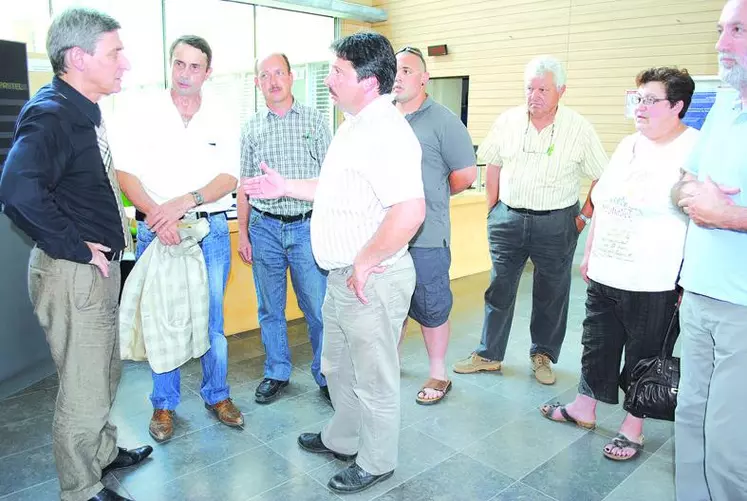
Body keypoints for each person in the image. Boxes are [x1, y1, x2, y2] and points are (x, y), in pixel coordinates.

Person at [243, 32, 425, 495]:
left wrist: (365, 260)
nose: (328, 80)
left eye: (338, 72)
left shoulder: (388, 133)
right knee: (338, 368)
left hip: (371, 279)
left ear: (367, 82)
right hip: (343, 277)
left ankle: (377, 459)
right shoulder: (352, 125)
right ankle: (343, 439)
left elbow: (410, 211)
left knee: (374, 378)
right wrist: (285, 186)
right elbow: (334, 186)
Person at [0, 8, 152, 501]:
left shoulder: (80, 109)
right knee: (83, 390)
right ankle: (81, 489)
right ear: (78, 58)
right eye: (114, 53)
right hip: (73, 275)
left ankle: (102, 454)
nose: (124, 63)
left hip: (93, 273)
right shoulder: (52, 114)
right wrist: (72, 244)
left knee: (103, 373)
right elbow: (17, 189)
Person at [538, 67, 698, 461]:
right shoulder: (629, 143)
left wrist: (686, 279)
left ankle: (633, 428)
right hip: (608, 269)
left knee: (645, 355)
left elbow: (699, 219)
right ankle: (584, 408)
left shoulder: (695, 148)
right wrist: (591, 251)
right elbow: (605, 201)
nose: (640, 108)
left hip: (654, 277)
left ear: (677, 106)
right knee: (597, 344)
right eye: (637, 99)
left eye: (650, 100)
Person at [113, 35, 243, 443]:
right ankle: (164, 404)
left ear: (208, 72)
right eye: (179, 64)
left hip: (209, 228)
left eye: (194, 66)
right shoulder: (142, 110)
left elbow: (229, 176)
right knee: (162, 320)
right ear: (170, 65)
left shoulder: (221, 113)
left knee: (213, 321)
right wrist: (157, 215)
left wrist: (186, 201)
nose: (185, 74)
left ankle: (217, 395)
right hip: (158, 231)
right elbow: (125, 173)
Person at [453, 55, 608, 385]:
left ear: (561, 91)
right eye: (529, 88)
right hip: (508, 220)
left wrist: (582, 218)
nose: (534, 95)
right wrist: (493, 209)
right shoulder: (508, 121)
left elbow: (602, 177)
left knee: (552, 293)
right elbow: (492, 164)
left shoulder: (579, 129)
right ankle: (488, 354)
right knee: (499, 289)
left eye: (543, 89)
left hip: (557, 222)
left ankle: (543, 356)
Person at [672, 0, 747, 498]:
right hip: (699, 293)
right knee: (691, 419)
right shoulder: (726, 103)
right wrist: (690, 195)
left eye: (737, 30)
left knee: (729, 443)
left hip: (742, 306)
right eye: (721, 29)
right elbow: (685, 179)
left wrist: (731, 216)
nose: (721, 44)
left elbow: (723, 210)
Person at [238, 53, 332, 405]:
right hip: (264, 229)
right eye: (266, 75)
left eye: (279, 73)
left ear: (292, 77)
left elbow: (332, 179)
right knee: (270, 309)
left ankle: (325, 374)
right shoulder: (251, 128)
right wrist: (244, 233)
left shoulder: (316, 120)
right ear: (258, 83)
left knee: (317, 307)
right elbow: (245, 184)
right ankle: (277, 371)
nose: (273, 80)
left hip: (307, 228)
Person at [392, 46, 476, 405]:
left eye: (408, 70)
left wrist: (434, 197)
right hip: (387, 236)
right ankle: (389, 365)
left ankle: (439, 373)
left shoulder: (443, 121)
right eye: (395, 70)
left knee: (431, 306)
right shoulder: (382, 117)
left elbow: (466, 175)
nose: (399, 76)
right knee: (392, 305)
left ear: (424, 78)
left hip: (427, 236)